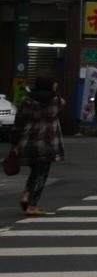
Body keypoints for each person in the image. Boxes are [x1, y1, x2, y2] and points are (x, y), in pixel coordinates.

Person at [12, 74, 65, 216]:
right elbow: (61, 107)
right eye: (54, 83)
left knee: (35, 171)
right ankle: (32, 205)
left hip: (29, 139)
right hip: (49, 140)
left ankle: (26, 194)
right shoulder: (56, 101)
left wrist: (15, 142)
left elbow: (19, 121)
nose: (56, 85)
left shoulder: (26, 100)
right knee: (42, 174)